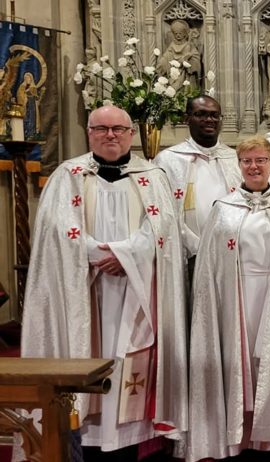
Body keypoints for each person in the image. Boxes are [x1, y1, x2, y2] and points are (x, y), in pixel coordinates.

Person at [20, 105, 188, 458]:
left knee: (126, 365)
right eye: (101, 128)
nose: (110, 135)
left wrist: (126, 256)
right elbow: (57, 230)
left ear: (130, 134)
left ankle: (126, 442)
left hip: (135, 292)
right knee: (86, 359)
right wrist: (101, 254)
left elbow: (162, 230)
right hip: (84, 291)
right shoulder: (68, 175)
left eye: (118, 129)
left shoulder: (153, 176)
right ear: (89, 133)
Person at [186, 136, 270, 460]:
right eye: (247, 161)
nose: (254, 166)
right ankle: (238, 435)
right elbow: (209, 266)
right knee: (237, 366)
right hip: (234, 298)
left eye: (261, 160)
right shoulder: (223, 209)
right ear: (239, 165)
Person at [153, 95, 242, 255]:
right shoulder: (168, 160)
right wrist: (195, 246)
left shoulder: (235, 159)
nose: (209, 119)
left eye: (215, 115)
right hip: (187, 252)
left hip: (231, 251)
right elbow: (163, 213)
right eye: (201, 114)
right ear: (187, 118)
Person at [158, 20, 200, 89]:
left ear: (184, 33)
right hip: (173, 76)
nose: (178, 35)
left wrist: (189, 60)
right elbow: (166, 57)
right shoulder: (172, 45)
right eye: (176, 33)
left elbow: (196, 59)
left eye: (180, 33)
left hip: (186, 77)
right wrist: (162, 64)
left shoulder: (189, 45)